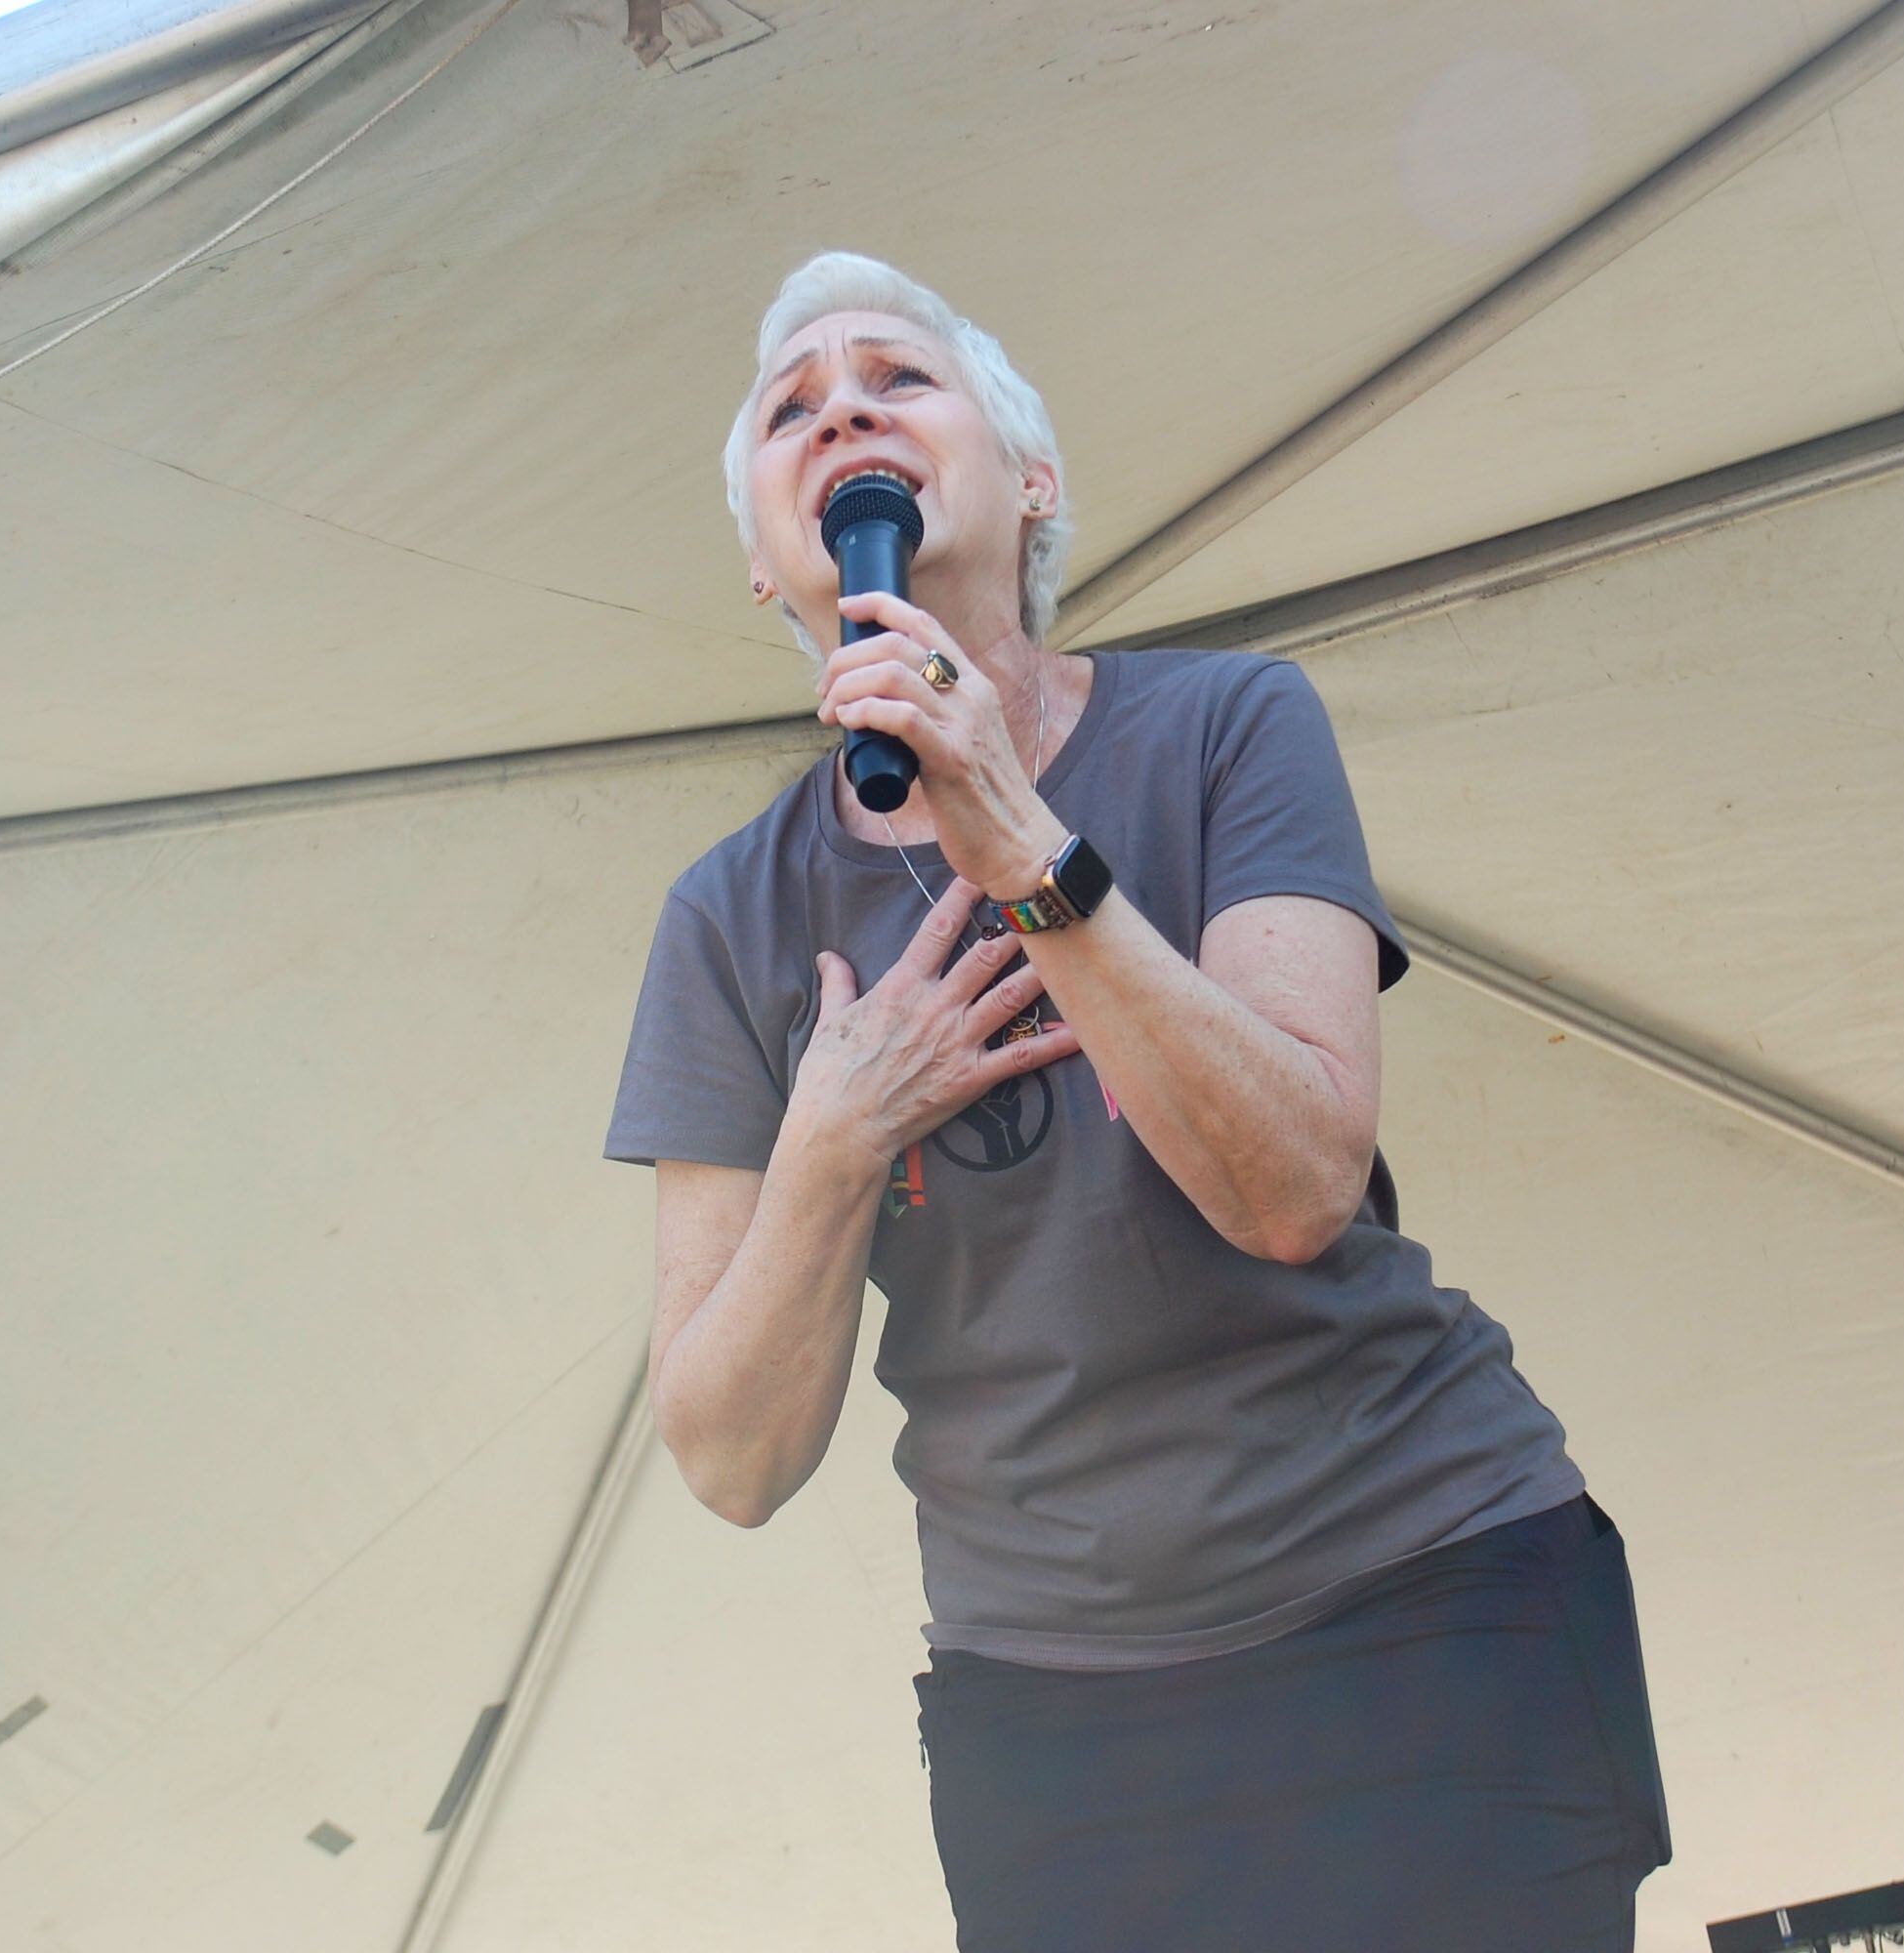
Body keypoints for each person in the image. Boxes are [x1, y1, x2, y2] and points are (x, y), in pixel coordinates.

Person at [604, 251, 1672, 1951]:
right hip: (1062, 1708)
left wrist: (1019, 837)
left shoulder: (1227, 725)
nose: (845, 412)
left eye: (898, 378)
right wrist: (833, 1133)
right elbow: (729, 1457)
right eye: (791, 410)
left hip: (1425, 1592)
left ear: (1029, 486)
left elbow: (1296, 1186)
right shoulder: (727, 921)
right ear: (762, 560)